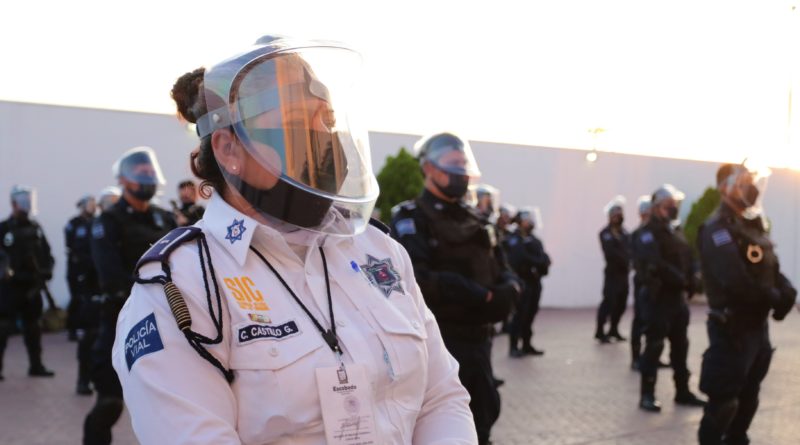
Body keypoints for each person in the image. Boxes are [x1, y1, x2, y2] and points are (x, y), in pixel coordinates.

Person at [111, 36, 476, 445]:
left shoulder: (378, 251)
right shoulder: (181, 286)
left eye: (328, 120)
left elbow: (441, 398)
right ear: (230, 149)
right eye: (299, 118)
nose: (323, 136)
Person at [391, 131, 519, 445]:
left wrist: (507, 292)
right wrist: (479, 295)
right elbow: (418, 278)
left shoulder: (478, 220)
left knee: (484, 415)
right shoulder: (412, 218)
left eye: (463, 163)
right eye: (452, 163)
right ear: (429, 168)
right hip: (442, 343)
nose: (460, 171)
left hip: (481, 343)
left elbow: (503, 268)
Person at [697, 164, 796, 444]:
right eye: (743, 182)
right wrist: (773, 297)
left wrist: (786, 291)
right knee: (724, 404)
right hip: (732, 330)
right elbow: (735, 280)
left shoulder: (751, 225)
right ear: (725, 187)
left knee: (749, 398)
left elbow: (769, 268)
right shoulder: (717, 229)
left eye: (752, 182)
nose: (750, 188)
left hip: (757, 329)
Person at [84, 147, 177, 444]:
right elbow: (110, 275)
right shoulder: (108, 221)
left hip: (167, 323)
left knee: (172, 407)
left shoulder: (164, 218)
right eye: (140, 173)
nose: (147, 178)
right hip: (121, 322)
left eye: (150, 172)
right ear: (123, 180)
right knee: (109, 405)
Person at [633, 184, 705, 412]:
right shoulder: (646, 233)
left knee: (680, 347)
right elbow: (655, 264)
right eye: (669, 205)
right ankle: (647, 395)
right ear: (656, 207)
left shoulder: (675, 231)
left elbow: (690, 256)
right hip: (657, 299)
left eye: (675, 205)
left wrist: (694, 276)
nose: (673, 209)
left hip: (677, 300)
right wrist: (681, 280)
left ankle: (682, 391)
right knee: (654, 346)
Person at [0, 185, 55, 380]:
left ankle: (36, 366)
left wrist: (47, 271)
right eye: (22, 201)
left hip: (32, 286)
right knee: (3, 328)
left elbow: (47, 253)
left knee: (33, 328)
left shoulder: (35, 227)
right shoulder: (4, 228)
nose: (26, 205)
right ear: (13, 203)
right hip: (10, 288)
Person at [65, 194, 100, 394]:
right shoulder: (74, 223)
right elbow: (72, 247)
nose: (93, 207)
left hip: (100, 278)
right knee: (78, 305)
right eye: (90, 204)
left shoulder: (99, 223)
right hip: (81, 273)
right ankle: (73, 328)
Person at [506, 207, 551, 357]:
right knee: (519, 314)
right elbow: (519, 258)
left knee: (531, 313)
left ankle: (526, 344)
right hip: (521, 282)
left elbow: (544, 258)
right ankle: (513, 346)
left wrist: (539, 262)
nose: (531, 223)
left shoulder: (534, 240)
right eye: (527, 220)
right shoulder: (513, 239)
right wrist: (537, 261)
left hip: (534, 282)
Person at [595, 196, 630, 343]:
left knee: (621, 303)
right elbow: (611, 253)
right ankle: (600, 331)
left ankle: (613, 329)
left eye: (620, 214)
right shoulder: (605, 233)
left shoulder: (625, 233)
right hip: (612, 274)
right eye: (615, 214)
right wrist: (626, 258)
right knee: (609, 302)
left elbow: (631, 250)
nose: (618, 217)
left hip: (624, 274)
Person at [629, 195, 651, 370]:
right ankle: (636, 358)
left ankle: (651, 356)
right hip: (642, 282)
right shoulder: (637, 234)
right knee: (639, 319)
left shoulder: (657, 233)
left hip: (654, 284)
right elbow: (635, 259)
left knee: (653, 320)